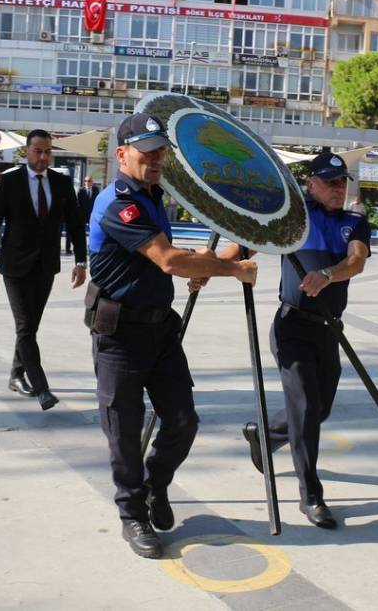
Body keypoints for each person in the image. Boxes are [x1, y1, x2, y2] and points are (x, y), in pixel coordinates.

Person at [85, 113, 257, 558]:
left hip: (160, 330)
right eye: (147, 151)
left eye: (161, 150)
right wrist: (228, 269)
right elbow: (166, 259)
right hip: (119, 334)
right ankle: (132, 515)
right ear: (122, 154)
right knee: (123, 433)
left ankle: (154, 486)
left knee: (182, 420)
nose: (157, 158)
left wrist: (203, 264)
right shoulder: (118, 201)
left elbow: (167, 261)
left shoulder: (152, 196)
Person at [207, 152, 370, 530]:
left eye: (342, 182)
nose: (338, 189)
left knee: (319, 409)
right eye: (330, 182)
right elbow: (245, 247)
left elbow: (357, 261)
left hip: (328, 330)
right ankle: (311, 493)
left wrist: (328, 275)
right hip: (292, 329)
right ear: (310, 184)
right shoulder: (292, 219)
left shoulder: (354, 221)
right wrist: (212, 268)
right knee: (306, 409)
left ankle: (262, 436)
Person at [0, 129, 86, 409]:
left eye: (47, 151)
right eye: (38, 151)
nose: (43, 156)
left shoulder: (62, 183)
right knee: (26, 327)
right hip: (14, 266)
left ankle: (16, 374)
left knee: (30, 327)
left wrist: (80, 262)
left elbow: (75, 225)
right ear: (26, 152)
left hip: (46, 266)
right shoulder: (9, 182)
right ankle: (41, 388)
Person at [68, 175, 100, 255]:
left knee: (92, 232)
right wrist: (79, 215)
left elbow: (97, 202)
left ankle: (91, 247)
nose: (87, 183)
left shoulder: (96, 190)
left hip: (92, 215)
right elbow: (78, 203)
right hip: (82, 215)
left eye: (89, 181)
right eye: (86, 181)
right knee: (81, 233)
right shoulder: (81, 191)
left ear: (92, 182)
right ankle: (82, 248)